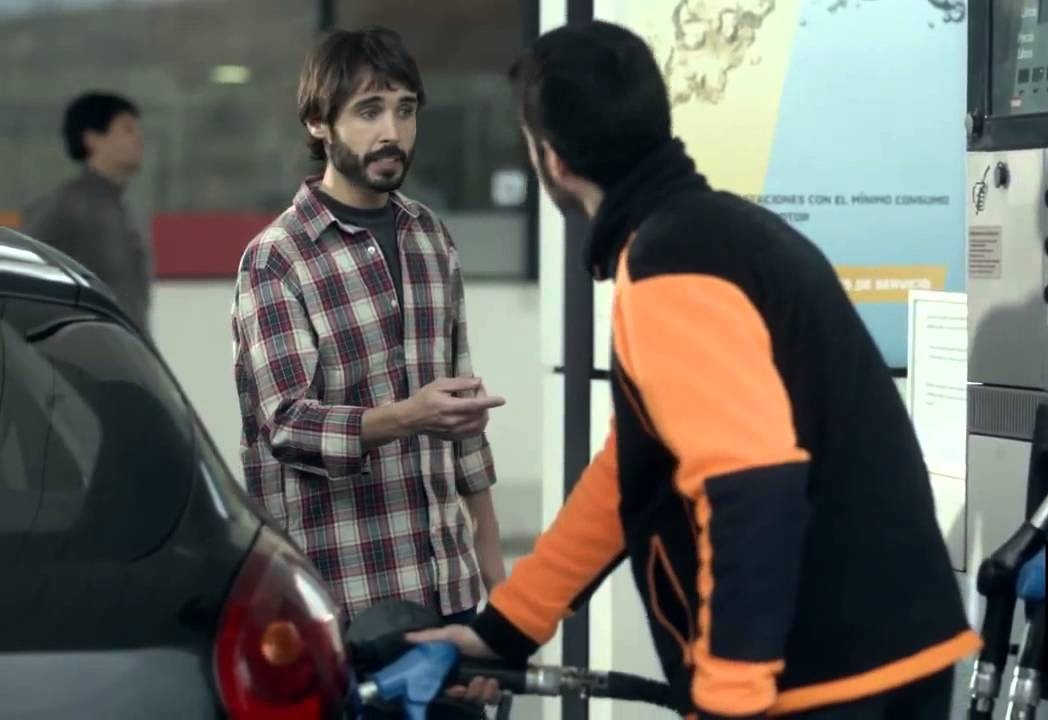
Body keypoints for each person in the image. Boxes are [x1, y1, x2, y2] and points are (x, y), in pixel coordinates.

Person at [407, 20, 982, 720]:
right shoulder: (713, 232)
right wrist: (506, 627)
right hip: (880, 656)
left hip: (828, 682)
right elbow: (636, 468)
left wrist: (728, 700)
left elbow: (754, 485)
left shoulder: (672, 267)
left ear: (552, 160)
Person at [231, 27, 506, 633]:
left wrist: (493, 574)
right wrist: (409, 415)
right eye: (368, 111)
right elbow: (285, 425)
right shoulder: (278, 258)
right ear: (318, 124)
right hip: (343, 596)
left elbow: (458, 413)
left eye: (405, 110)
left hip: (447, 582)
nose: (392, 132)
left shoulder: (429, 236)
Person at [21, 92, 151, 333]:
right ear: (92, 139)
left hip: (128, 352)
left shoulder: (126, 209)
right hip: (84, 357)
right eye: (127, 129)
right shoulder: (63, 207)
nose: (139, 138)